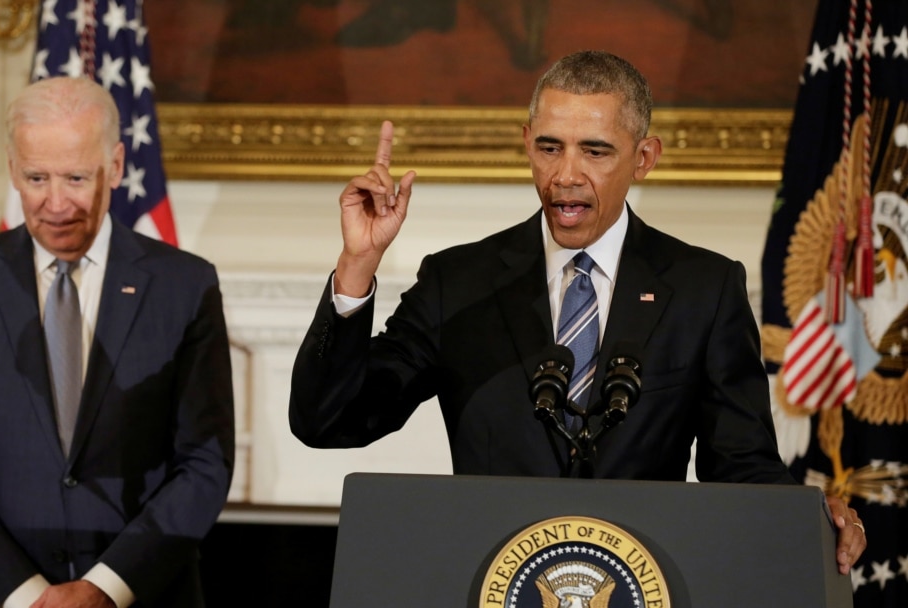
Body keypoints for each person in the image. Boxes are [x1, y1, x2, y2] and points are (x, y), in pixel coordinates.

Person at [289, 50, 866, 573]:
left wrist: (811, 514)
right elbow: (329, 421)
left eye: (595, 151)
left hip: (644, 583)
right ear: (526, 143)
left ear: (644, 158)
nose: (566, 174)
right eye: (549, 147)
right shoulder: (458, 282)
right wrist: (357, 265)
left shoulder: (703, 288)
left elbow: (741, 465)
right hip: (490, 581)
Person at [0, 76, 235, 607]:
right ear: (12, 168)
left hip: (140, 596)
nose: (55, 203)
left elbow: (204, 464)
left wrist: (104, 589)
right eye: (36, 178)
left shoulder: (185, 287)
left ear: (117, 165)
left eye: (77, 178)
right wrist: (26, 595)